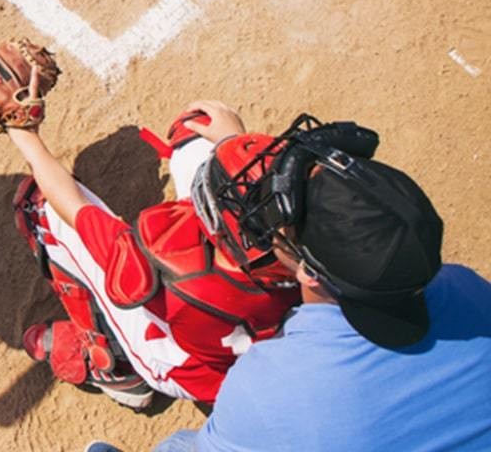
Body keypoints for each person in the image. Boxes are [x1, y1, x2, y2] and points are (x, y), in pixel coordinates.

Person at [0, 37, 303, 409]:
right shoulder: (322, 266)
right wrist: (231, 141)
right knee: (197, 129)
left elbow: (74, 206)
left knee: (40, 207)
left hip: (180, 361)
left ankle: (116, 365)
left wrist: (20, 128)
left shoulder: (166, 264)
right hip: (257, 321)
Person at [147, 104, 491, 452]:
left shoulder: (267, 391)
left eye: (285, 219)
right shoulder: (469, 292)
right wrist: (233, 143)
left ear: (309, 272)